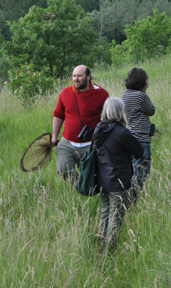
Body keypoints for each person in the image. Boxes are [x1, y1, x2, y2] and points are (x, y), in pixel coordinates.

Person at [93, 97, 144, 252]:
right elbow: (139, 151)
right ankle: (109, 251)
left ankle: (101, 247)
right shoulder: (122, 132)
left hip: (102, 180)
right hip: (119, 181)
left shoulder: (98, 129)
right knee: (115, 218)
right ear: (121, 112)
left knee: (105, 215)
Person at [52, 65, 109, 182]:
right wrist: (54, 137)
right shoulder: (65, 93)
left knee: (92, 175)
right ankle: (79, 188)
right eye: (74, 76)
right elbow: (58, 115)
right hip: (67, 142)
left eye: (79, 76)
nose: (75, 79)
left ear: (88, 77)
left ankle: (87, 190)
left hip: (91, 144)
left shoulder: (102, 94)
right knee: (63, 169)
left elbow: (109, 118)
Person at [122, 67, 156, 200]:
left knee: (132, 169)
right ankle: (133, 198)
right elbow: (151, 110)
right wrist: (144, 92)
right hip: (142, 138)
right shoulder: (141, 96)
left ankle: (128, 195)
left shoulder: (125, 94)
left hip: (130, 135)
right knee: (142, 171)